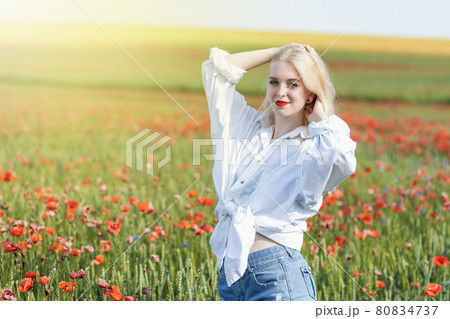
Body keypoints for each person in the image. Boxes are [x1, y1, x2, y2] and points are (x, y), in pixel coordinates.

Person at [201, 43, 357, 301]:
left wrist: (319, 119)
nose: (280, 92)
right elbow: (216, 72)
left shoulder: (313, 148)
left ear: (311, 94)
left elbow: (343, 159)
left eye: (293, 84)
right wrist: (276, 51)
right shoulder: (247, 128)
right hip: (230, 279)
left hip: (278, 279)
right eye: (274, 82)